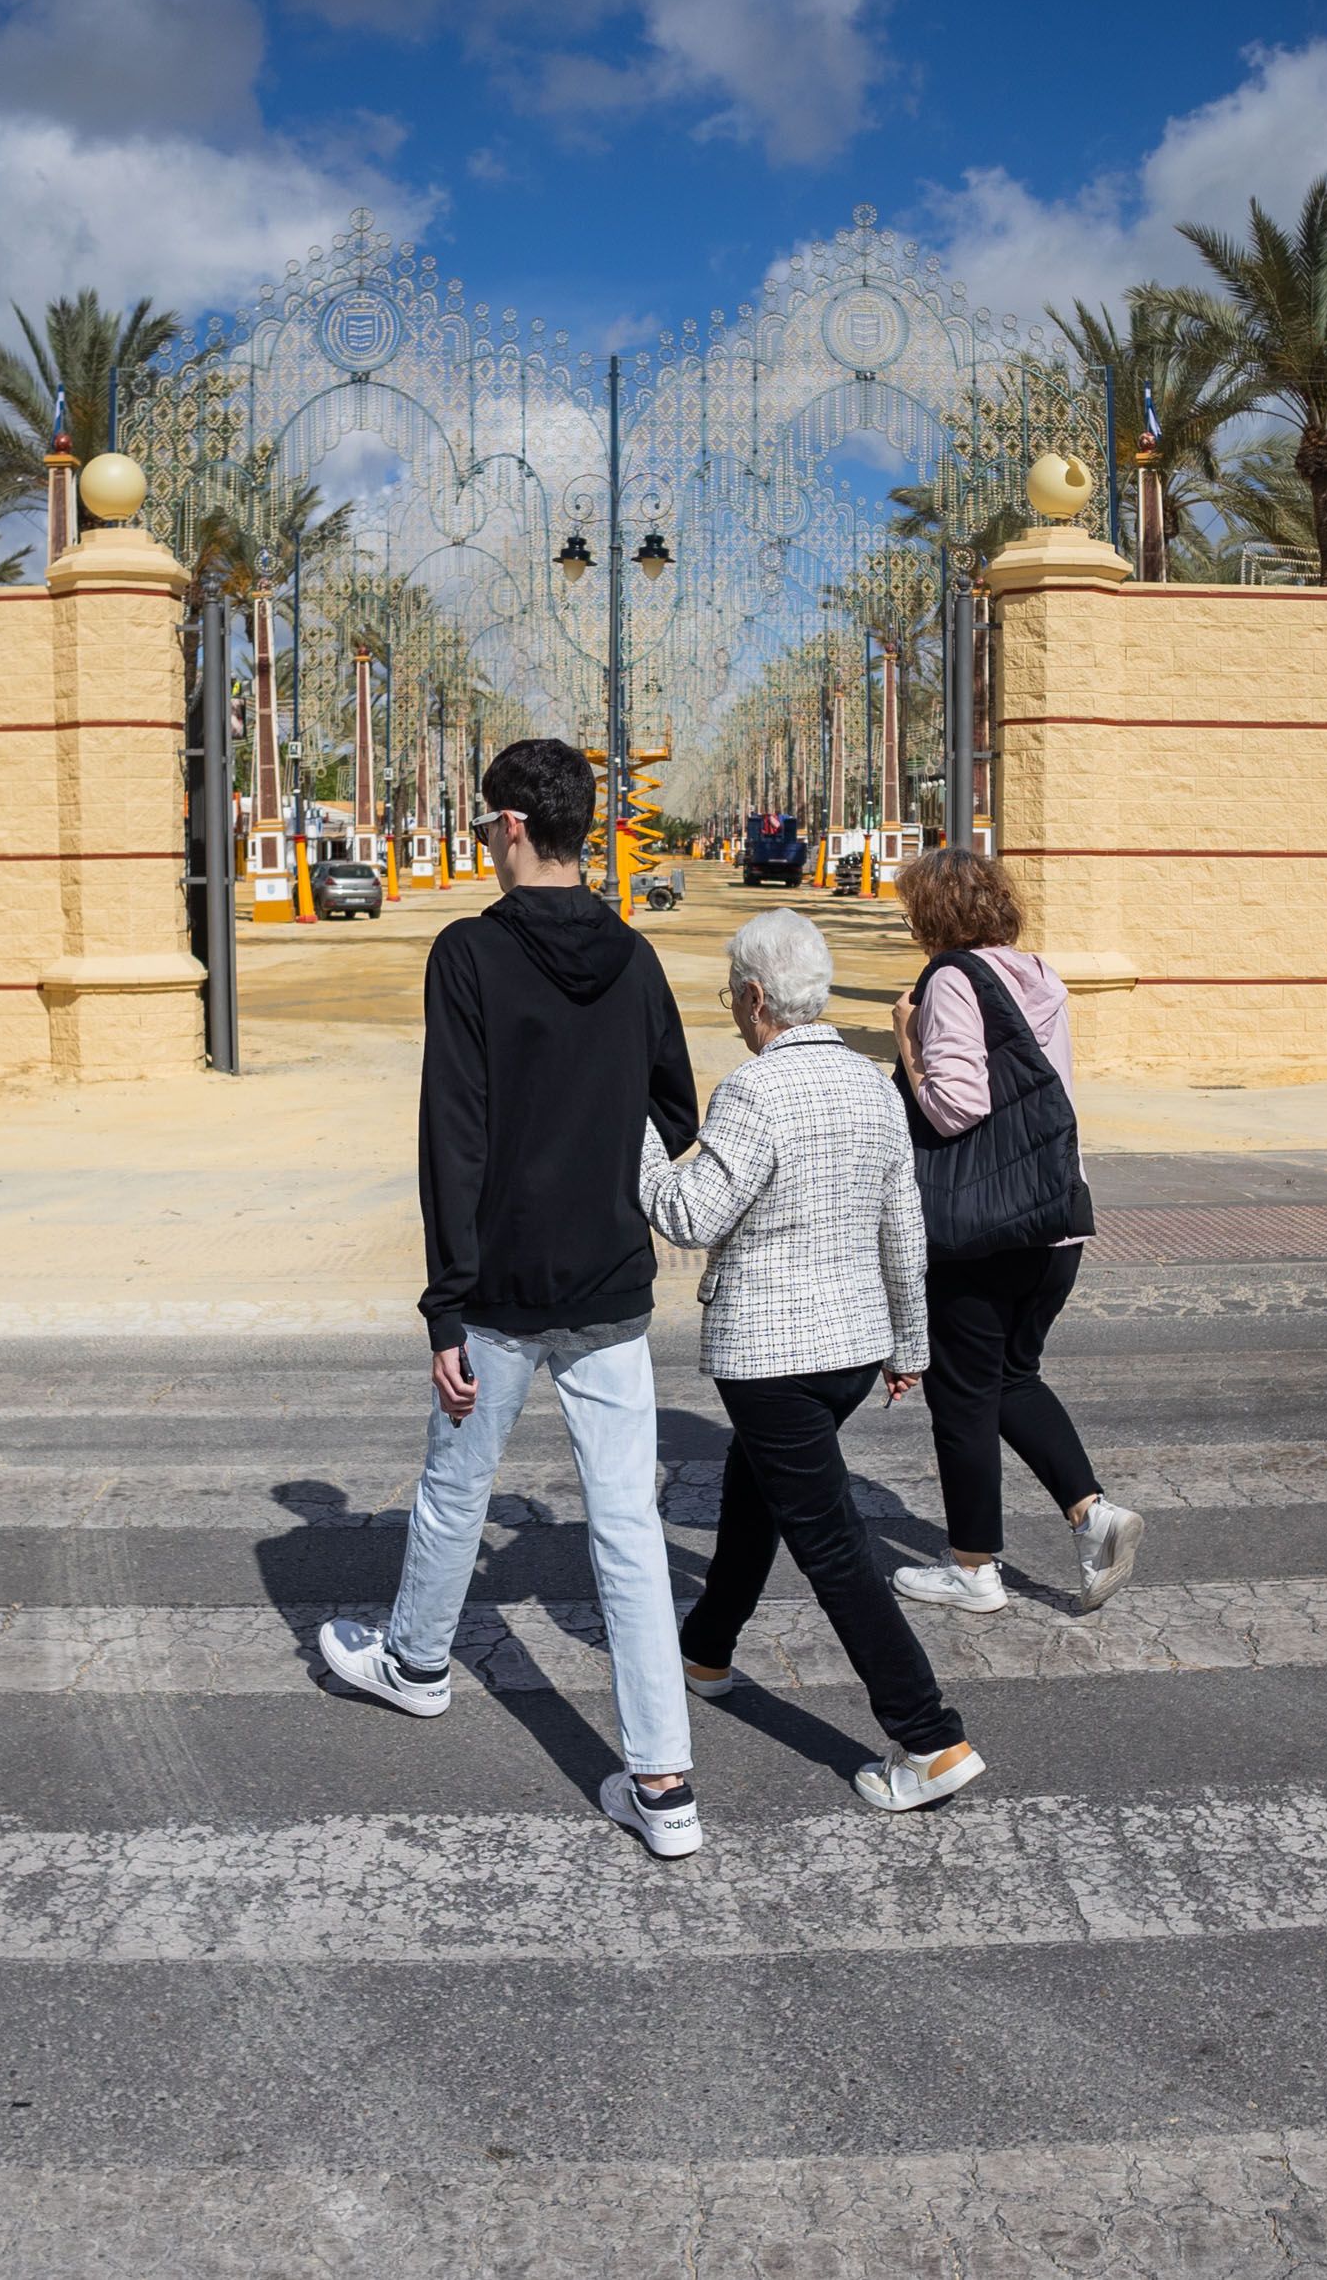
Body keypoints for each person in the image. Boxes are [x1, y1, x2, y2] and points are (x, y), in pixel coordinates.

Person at [317, 739, 708, 1858]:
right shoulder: (633, 959)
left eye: (487, 824)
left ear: (508, 828)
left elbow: (455, 1133)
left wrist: (446, 1304)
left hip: (496, 1289)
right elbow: (675, 1113)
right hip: (609, 1286)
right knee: (627, 1526)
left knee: (457, 1488)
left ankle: (418, 1663)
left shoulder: (469, 956)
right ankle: (665, 1786)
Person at [644, 911, 982, 1814]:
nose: (732, 1012)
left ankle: (930, 1737)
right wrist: (911, 1343)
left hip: (772, 1356)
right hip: (852, 1349)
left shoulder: (755, 1092)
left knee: (830, 1544)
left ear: (756, 997)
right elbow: (902, 1232)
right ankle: (706, 1650)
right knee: (755, 1492)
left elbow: (686, 1216)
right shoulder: (874, 1087)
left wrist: (636, 1135)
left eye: (731, 996)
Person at [886, 846, 1142, 1614]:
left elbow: (958, 1103)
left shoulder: (952, 980)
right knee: (1010, 1378)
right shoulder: (1039, 974)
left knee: (963, 1394)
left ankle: (973, 1568)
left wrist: (907, 1036)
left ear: (933, 915)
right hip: (1053, 1223)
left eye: (911, 911)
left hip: (983, 1232)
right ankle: (1093, 1516)